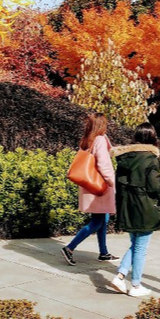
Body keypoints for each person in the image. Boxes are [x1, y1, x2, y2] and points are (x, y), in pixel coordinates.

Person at [107, 123, 160, 297]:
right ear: (152, 138)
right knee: (140, 248)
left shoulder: (124, 158)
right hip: (145, 207)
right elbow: (155, 187)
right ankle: (136, 284)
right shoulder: (151, 159)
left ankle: (120, 276)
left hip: (128, 206)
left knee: (135, 244)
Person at [61, 113, 119, 265]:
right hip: (100, 186)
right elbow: (103, 165)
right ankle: (70, 248)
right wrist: (113, 183)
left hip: (90, 186)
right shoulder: (99, 140)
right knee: (97, 222)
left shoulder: (87, 140)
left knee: (102, 219)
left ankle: (104, 252)